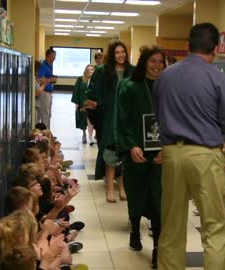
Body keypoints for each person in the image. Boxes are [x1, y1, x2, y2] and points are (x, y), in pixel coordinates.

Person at [153, 22, 225, 270]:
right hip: (205, 155)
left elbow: (158, 116)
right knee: (215, 227)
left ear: (187, 46)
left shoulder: (165, 76)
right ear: (216, 48)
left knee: (171, 226)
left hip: (172, 154)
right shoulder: (217, 78)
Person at [116, 44, 166, 269]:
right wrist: (131, 146)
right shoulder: (129, 86)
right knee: (136, 195)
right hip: (136, 152)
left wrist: (167, 148)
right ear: (144, 62)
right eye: (152, 61)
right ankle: (135, 232)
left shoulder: (167, 88)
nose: (157, 66)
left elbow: (176, 120)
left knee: (158, 199)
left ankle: (157, 248)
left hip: (160, 155)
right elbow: (122, 119)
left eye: (160, 62)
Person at [86, 40, 134, 203]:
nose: (121, 55)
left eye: (123, 52)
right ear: (112, 55)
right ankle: (110, 189)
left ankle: (123, 187)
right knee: (110, 151)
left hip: (127, 118)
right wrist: (94, 103)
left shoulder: (132, 71)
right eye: (117, 53)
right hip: (110, 117)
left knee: (126, 153)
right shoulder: (103, 72)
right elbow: (95, 92)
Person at [72, 64, 95, 144]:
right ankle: (84, 134)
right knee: (83, 120)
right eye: (88, 69)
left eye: (92, 69)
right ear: (85, 71)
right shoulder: (80, 80)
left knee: (90, 121)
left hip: (92, 105)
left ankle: (90, 137)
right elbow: (76, 91)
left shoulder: (96, 80)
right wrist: (77, 103)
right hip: (82, 103)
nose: (90, 71)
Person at [37, 48, 57, 129]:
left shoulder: (50, 66)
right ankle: (45, 134)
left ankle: (47, 133)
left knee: (48, 114)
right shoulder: (44, 66)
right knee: (45, 114)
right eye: (54, 56)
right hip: (44, 93)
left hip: (49, 92)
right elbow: (39, 79)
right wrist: (51, 80)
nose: (55, 58)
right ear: (49, 56)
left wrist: (51, 79)